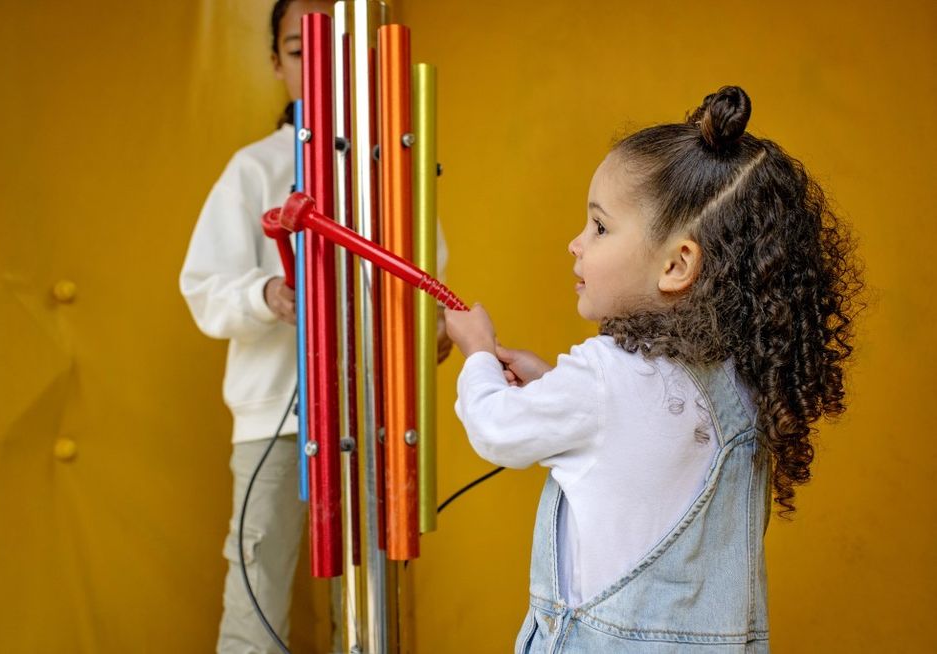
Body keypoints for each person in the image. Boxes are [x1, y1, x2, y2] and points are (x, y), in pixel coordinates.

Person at [445, 86, 862, 652]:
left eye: (599, 227)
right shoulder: (744, 382)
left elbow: (498, 429)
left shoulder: (606, 375)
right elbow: (635, 446)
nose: (575, 244)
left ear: (676, 264)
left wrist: (477, 354)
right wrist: (549, 385)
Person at [180, 1, 450, 651]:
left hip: (372, 416)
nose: (322, 65)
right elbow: (204, 288)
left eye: (340, 50)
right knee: (257, 590)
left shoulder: (394, 166)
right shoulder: (254, 169)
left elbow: (426, 276)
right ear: (277, 63)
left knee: (369, 592)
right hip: (277, 417)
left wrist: (428, 329)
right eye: (302, 51)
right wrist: (268, 293)